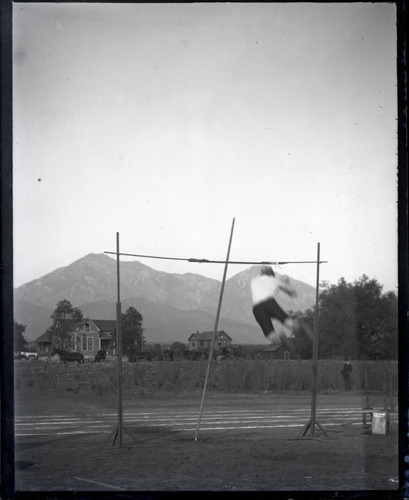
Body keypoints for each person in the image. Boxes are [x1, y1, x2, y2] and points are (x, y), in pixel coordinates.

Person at [250, 266, 311, 352]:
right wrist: (287, 281)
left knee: (272, 338)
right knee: (291, 325)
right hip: (269, 303)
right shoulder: (276, 281)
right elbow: (292, 294)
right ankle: (298, 325)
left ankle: (282, 338)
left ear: (261, 274)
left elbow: (264, 277)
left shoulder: (254, 280)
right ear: (272, 274)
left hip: (257, 308)